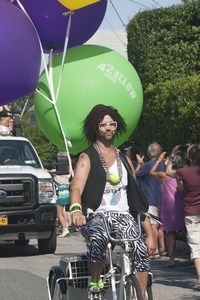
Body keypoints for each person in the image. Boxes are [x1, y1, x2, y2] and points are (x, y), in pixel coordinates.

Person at [69, 104, 156, 300]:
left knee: (140, 251)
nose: (108, 128)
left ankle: (140, 295)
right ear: (95, 128)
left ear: (117, 127)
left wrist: (149, 233)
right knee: (98, 239)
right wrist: (76, 211)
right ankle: (95, 283)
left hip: (123, 216)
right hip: (96, 215)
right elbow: (76, 188)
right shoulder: (87, 156)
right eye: (103, 125)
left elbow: (136, 200)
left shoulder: (124, 159)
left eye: (111, 124)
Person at [166, 143, 200, 290]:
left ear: (188, 156)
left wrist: (172, 154)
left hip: (192, 212)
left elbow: (168, 171)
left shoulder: (183, 172)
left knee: (196, 248)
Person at [150, 151, 185, 267]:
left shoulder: (164, 176)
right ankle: (193, 259)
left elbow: (151, 172)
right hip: (182, 205)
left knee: (171, 233)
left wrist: (159, 161)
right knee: (188, 233)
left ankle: (171, 259)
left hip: (169, 207)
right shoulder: (182, 174)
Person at [135, 142, 166, 258]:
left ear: (149, 153)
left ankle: (155, 250)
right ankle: (162, 248)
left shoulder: (147, 165)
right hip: (162, 199)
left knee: (152, 224)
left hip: (150, 199)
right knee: (159, 225)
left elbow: (135, 174)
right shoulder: (164, 165)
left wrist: (139, 164)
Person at [54, 173, 70, 237]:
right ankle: (65, 227)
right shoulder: (66, 176)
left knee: (59, 213)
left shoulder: (59, 177)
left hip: (61, 192)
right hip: (65, 191)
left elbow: (56, 179)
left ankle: (65, 229)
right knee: (62, 212)